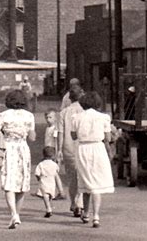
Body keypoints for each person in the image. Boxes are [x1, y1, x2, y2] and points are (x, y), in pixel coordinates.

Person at [0, 90, 36, 229]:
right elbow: (32, 138)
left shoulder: (4, 115)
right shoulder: (29, 116)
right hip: (23, 149)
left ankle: (14, 215)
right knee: (22, 183)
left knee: (8, 181)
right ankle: (17, 215)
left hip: (8, 149)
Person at [71, 91, 115, 229]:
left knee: (85, 181)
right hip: (98, 148)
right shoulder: (104, 117)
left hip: (83, 148)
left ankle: (86, 213)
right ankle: (96, 216)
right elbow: (107, 138)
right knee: (97, 183)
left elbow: (73, 136)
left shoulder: (76, 117)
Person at [57, 86, 84, 217]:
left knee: (72, 178)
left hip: (68, 147)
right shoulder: (85, 111)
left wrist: (59, 150)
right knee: (83, 175)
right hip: (83, 146)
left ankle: (73, 202)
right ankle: (80, 202)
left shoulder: (63, 113)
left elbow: (60, 134)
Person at [35, 146, 64, 217]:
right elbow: (57, 171)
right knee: (50, 195)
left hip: (44, 181)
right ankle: (50, 207)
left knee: (45, 196)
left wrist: (39, 179)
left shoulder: (41, 164)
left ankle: (48, 208)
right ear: (53, 155)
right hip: (52, 182)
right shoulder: (54, 164)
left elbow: (37, 173)